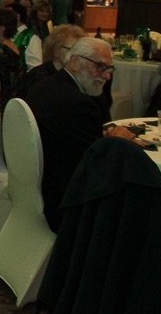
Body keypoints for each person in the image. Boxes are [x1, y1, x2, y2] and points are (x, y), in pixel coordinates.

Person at [24, 37, 138, 232]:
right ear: (75, 62)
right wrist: (116, 143)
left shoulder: (46, 86)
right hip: (66, 201)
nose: (107, 76)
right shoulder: (78, 103)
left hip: (36, 186)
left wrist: (101, 139)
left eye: (109, 69)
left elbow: (71, 141)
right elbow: (95, 166)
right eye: (100, 67)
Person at [16, 24, 87, 101]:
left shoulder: (79, 77)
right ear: (56, 50)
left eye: (79, 51)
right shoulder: (38, 78)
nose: (75, 56)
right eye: (71, 49)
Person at [9, 2, 43, 72]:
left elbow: (35, 68)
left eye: (7, 15)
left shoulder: (31, 38)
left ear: (18, 17)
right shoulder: (6, 34)